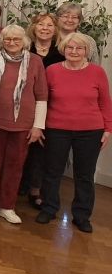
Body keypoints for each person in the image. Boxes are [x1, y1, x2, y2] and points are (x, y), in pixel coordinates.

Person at [37, 32, 112, 234]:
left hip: (90, 131)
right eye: (70, 47)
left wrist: (108, 128)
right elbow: (43, 100)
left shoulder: (97, 72)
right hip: (56, 128)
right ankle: (49, 208)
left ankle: (82, 215)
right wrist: (40, 125)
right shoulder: (52, 70)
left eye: (79, 48)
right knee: (52, 172)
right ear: (63, 49)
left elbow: (105, 101)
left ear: (87, 51)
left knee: (84, 175)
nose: (74, 51)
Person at [0, 25, 47, 224]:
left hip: (23, 125)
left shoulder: (35, 62)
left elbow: (42, 95)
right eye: (7, 39)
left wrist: (38, 126)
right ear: (2, 40)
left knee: (15, 167)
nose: (12, 43)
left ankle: (7, 206)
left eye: (16, 39)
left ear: (24, 41)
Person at [23, 12, 63, 209]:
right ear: (34, 27)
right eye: (41, 24)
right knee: (21, 146)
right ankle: (17, 186)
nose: (45, 28)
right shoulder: (24, 49)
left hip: (52, 106)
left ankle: (35, 189)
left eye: (49, 25)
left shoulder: (61, 53)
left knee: (41, 150)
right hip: (24, 104)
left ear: (55, 30)